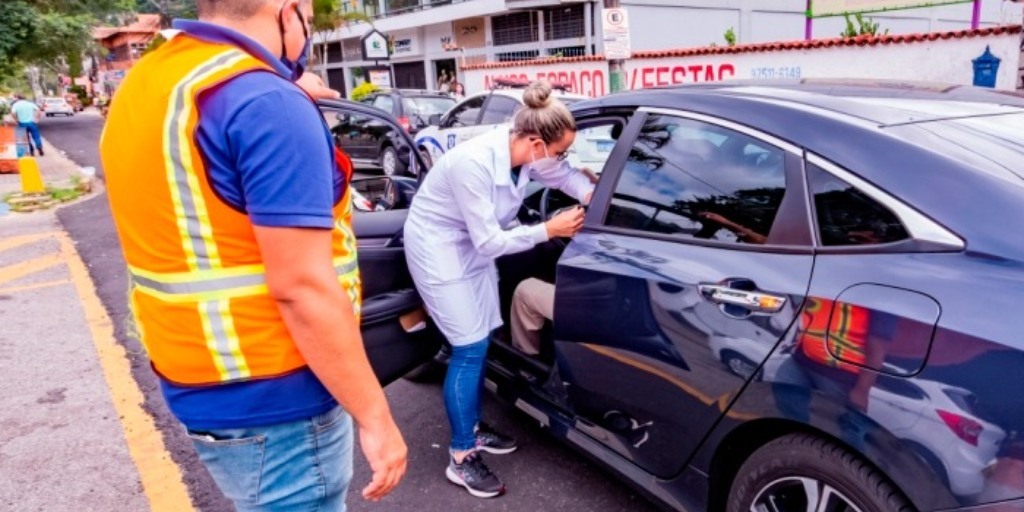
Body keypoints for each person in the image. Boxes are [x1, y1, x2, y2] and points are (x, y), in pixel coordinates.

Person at [98, 1, 407, 510]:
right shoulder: (264, 102)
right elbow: (302, 286)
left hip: (198, 375)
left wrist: (278, 88)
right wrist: (376, 418)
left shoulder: (152, 82)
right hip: (279, 392)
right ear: (291, 12)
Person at [404, 80, 594, 498]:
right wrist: (549, 229)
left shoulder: (527, 152)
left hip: (475, 249)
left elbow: (560, 174)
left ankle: (469, 424)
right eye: (559, 149)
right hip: (440, 249)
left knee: (483, 335)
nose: (561, 158)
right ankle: (461, 455)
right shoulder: (473, 163)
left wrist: (591, 193)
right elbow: (491, 242)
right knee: (469, 347)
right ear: (533, 141)